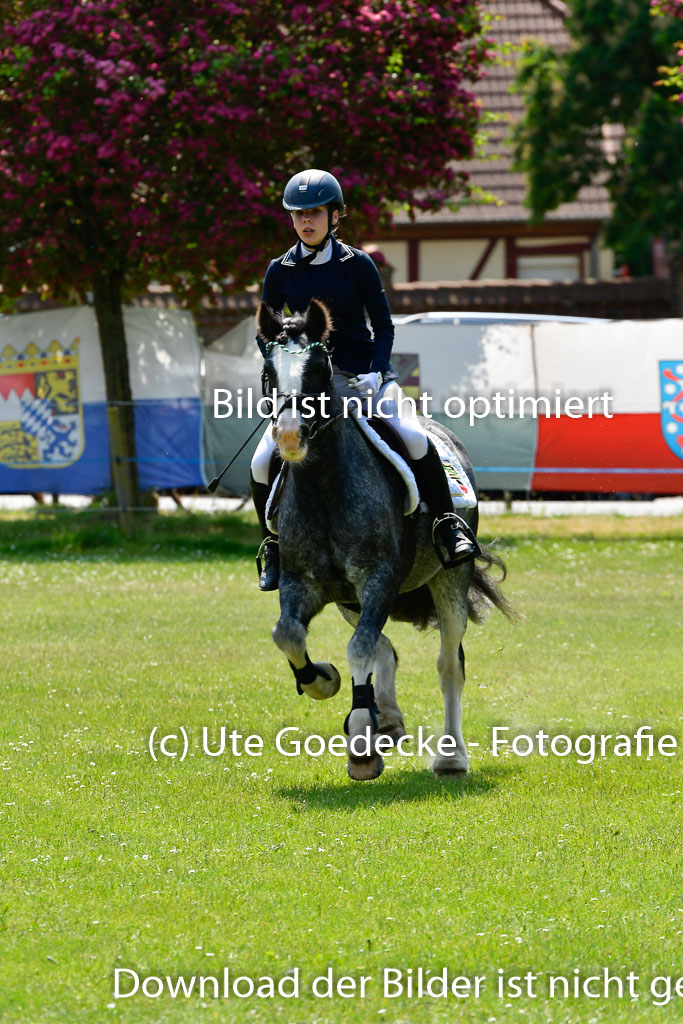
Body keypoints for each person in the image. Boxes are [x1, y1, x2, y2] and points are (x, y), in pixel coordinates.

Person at [250, 168, 479, 590]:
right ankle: (273, 548)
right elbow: (267, 334)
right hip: (306, 389)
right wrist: (281, 374)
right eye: (298, 214)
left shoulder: (359, 265)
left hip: (364, 376)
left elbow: (385, 327)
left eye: (315, 212)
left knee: (413, 437)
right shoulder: (278, 270)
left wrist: (376, 371)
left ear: (335, 215)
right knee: (261, 460)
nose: (306, 221)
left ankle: (448, 527)